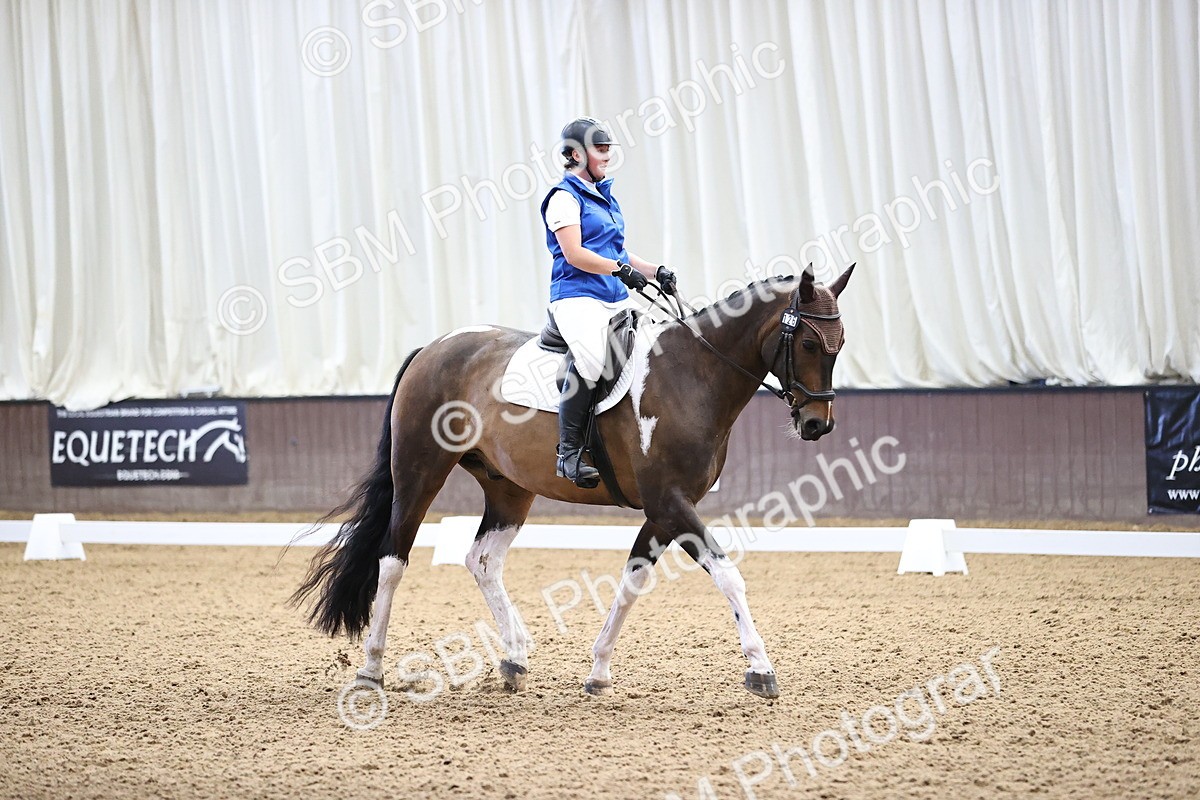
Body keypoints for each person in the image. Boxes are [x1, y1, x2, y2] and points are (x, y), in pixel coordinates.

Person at [539, 117, 677, 488]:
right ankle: (568, 453)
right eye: (600, 150)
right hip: (576, 297)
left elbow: (616, 251)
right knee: (590, 358)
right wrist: (619, 269)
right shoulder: (564, 198)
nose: (607, 156)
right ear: (577, 155)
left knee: (654, 349)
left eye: (607, 149)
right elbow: (575, 254)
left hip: (612, 297)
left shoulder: (604, 196)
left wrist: (654, 271)